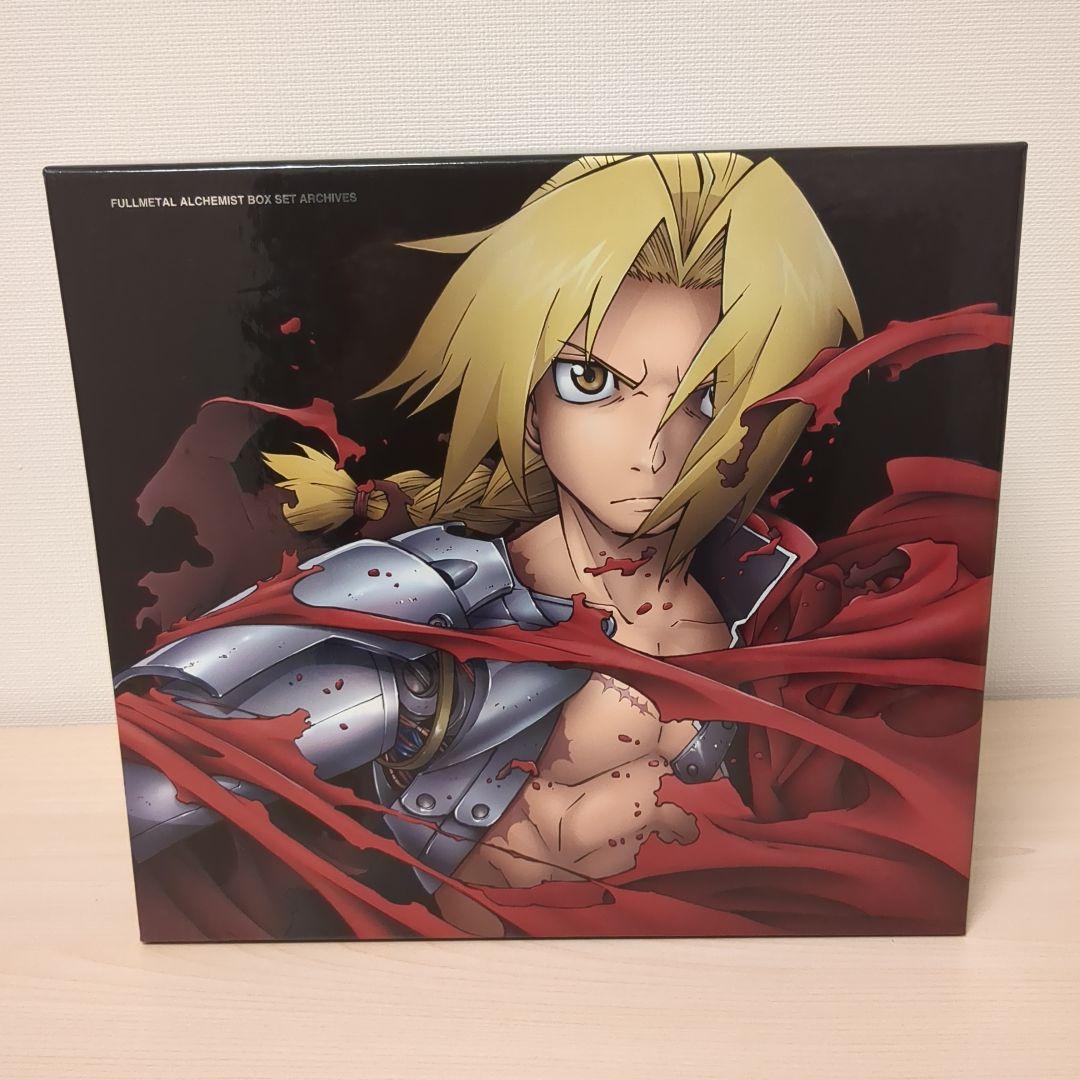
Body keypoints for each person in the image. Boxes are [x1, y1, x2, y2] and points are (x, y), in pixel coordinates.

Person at [116, 153, 1010, 940]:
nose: (653, 449)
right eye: (593, 381)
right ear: (527, 398)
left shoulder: (784, 605)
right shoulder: (422, 604)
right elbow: (152, 786)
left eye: (710, 396)